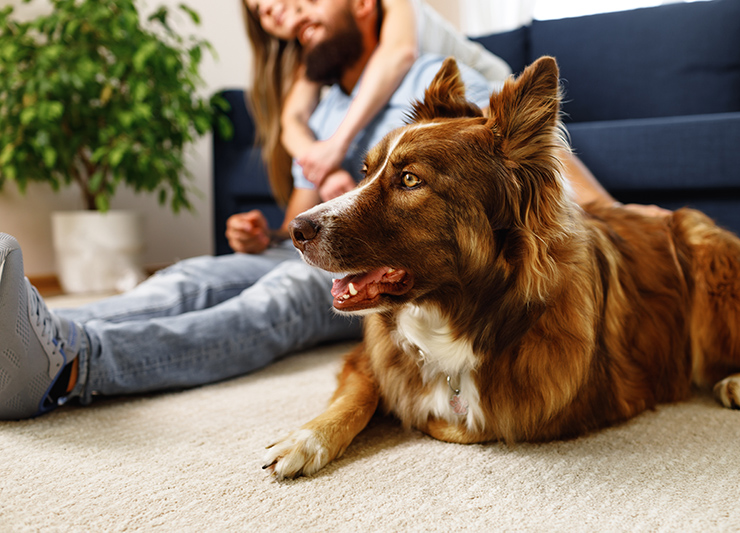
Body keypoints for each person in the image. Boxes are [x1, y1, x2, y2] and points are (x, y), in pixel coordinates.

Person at [0, 0, 492, 420]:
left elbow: (518, 164)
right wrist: (267, 236)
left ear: (364, 4)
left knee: (272, 299)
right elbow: (299, 221)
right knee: (190, 278)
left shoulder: (434, 83)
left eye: (311, 8)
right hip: (313, 247)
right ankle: (29, 324)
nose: (293, 20)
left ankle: (69, 365)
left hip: (371, 260)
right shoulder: (324, 109)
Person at [242, 0, 511, 203]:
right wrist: (322, 169)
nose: (268, 7)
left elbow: (399, 53)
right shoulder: (314, 49)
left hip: (489, 89)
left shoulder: (389, 14)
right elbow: (292, 120)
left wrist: (337, 145)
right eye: (258, 10)